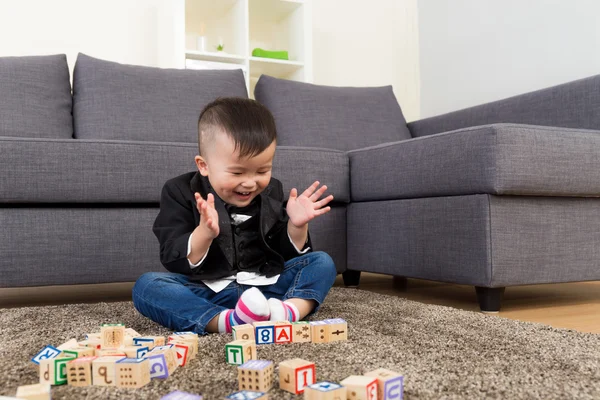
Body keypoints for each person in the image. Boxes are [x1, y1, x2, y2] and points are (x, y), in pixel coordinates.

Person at [132, 97, 337, 334]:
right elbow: (171, 255)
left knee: (322, 262)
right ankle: (224, 321)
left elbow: (284, 256)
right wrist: (204, 233)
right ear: (204, 165)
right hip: (208, 290)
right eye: (237, 172)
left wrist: (297, 226)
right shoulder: (179, 190)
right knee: (147, 286)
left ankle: (288, 312)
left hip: (266, 288)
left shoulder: (272, 191)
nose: (250, 182)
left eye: (263, 170)